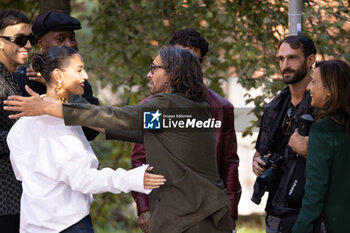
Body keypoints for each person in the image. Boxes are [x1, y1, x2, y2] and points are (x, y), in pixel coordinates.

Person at [4, 46, 233, 233]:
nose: (149, 74)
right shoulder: (190, 108)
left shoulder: (168, 106)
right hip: (199, 214)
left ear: (172, 73)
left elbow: (119, 118)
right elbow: (128, 129)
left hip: (194, 218)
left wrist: (54, 108)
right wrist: (58, 103)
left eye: (154, 68)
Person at [7, 46, 165, 233]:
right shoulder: (58, 127)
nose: (86, 76)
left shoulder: (24, 123)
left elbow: (21, 173)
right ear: (58, 75)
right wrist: (133, 179)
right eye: (79, 70)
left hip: (33, 223)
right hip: (68, 224)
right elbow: (85, 180)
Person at [123, 28, 241, 233]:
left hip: (208, 211)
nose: (182, 67)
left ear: (200, 63)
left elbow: (229, 162)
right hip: (167, 210)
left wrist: (230, 211)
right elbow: (140, 158)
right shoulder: (154, 107)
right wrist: (144, 207)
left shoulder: (220, 108)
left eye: (190, 60)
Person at [251, 35, 316, 233]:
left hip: (312, 215)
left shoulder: (326, 106)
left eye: (292, 58)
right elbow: (260, 152)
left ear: (310, 60)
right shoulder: (274, 107)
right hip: (275, 215)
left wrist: (309, 150)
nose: (285, 64)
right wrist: (257, 163)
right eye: (281, 58)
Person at [13, 11, 99, 141]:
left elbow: (93, 130)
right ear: (41, 43)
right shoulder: (21, 79)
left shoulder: (80, 82)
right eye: (60, 39)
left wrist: (62, 89)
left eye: (72, 38)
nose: (69, 45)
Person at [292, 60, 350, 233]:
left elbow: (315, 194)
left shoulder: (322, 130)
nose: (309, 87)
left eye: (314, 82)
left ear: (330, 91)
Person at [0, 9, 36, 232]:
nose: (29, 45)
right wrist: (27, 139)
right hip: (4, 200)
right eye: (20, 39)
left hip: (18, 196)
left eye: (30, 39)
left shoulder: (15, 78)